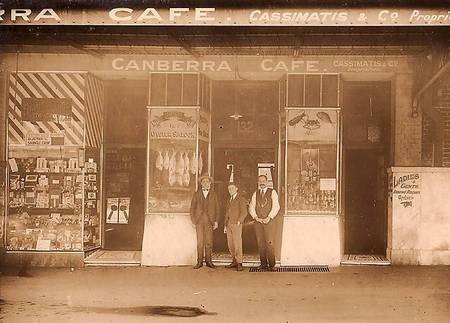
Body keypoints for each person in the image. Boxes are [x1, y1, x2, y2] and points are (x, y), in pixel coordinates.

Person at [249, 175, 280, 271]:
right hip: (258, 222)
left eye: (263, 181)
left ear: (267, 182)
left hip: (269, 222)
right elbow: (251, 206)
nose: (262, 183)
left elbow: (276, 206)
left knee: (269, 243)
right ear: (258, 182)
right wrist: (255, 217)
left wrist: (269, 217)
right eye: (260, 181)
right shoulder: (256, 193)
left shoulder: (272, 192)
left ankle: (272, 265)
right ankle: (263, 264)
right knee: (260, 243)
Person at [189, 174, 220, 269]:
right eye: (204, 182)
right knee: (200, 242)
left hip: (209, 221)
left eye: (207, 182)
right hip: (199, 221)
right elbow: (192, 208)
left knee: (209, 242)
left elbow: (217, 209)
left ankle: (209, 261)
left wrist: (216, 221)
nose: (206, 183)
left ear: (210, 184)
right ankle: (199, 262)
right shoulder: (196, 194)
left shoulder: (214, 194)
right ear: (201, 184)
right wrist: (193, 221)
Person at [223, 182, 247, 272]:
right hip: (229, 224)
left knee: (237, 244)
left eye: (232, 188)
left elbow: (244, 212)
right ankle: (234, 261)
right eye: (229, 189)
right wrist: (225, 225)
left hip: (236, 224)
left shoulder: (240, 199)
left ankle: (239, 263)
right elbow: (227, 213)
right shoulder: (229, 199)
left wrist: (239, 221)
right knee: (230, 244)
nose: (230, 190)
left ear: (236, 188)